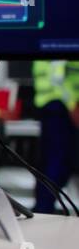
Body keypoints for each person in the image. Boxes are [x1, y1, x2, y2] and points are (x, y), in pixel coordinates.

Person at [32, 61, 79, 214]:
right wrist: (72, 104)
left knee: (53, 162)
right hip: (61, 105)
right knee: (57, 162)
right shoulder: (60, 39)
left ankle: (43, 208)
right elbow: (57, 74)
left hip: (57, 104)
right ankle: (44, 209)